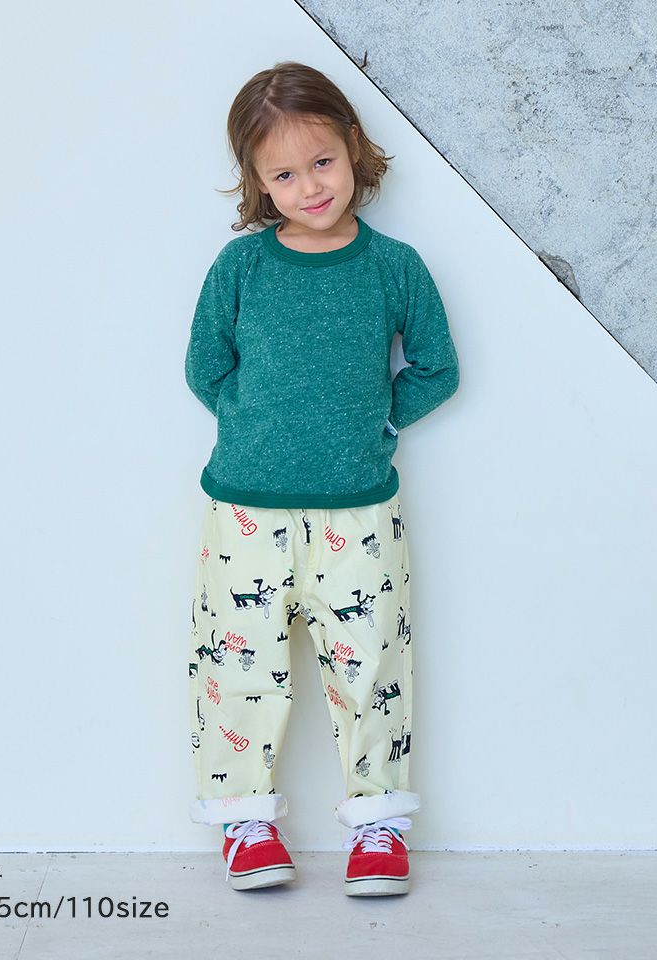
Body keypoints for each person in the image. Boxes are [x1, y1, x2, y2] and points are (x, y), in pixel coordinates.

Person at [184, 61, 460, 896]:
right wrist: (260, 429)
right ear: (257, 182)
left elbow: (437, 368)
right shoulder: (241, 267)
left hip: (360, 513)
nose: (308, 187)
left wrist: (377, 424)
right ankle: (245, 823)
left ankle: (379, 824)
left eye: (322, 162)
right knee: (239, 666)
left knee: (371, 664)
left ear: (352, 147)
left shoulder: (394, 266)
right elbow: (205, 367)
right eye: (283, 174)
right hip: (244, 510)